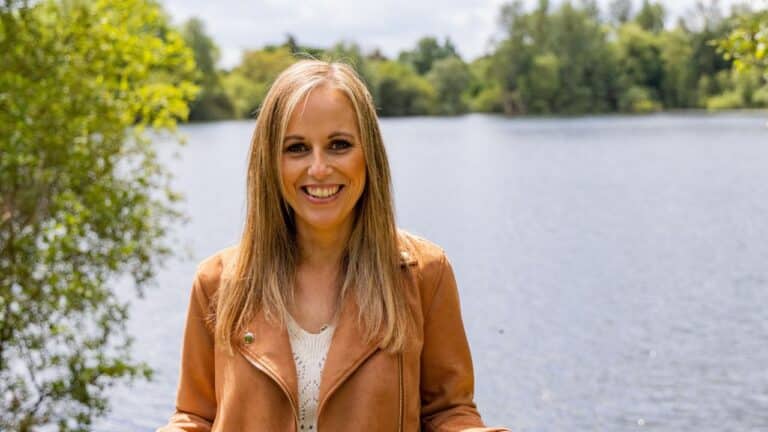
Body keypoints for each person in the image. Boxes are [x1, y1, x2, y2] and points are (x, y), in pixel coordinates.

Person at [158, 60, 508, 432]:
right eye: (297, 148)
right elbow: (195, 417)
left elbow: (449, 413)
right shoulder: (217, 282)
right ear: (269, 163)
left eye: (339, 145)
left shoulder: (425, 275)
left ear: (368, 154)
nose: (319, 168)